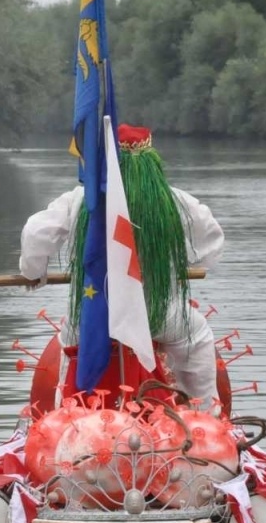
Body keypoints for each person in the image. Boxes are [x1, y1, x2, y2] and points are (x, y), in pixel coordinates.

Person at [19, 124, 224, 405]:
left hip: (93, 314)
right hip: (158, 314)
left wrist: (34, 272)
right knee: (196, 337)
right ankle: (205, 416)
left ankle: (63, 416)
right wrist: (184, 262)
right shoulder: (174, 199)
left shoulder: (80, 198)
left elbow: (35, 233)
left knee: (69, 346)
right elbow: (212, 243)